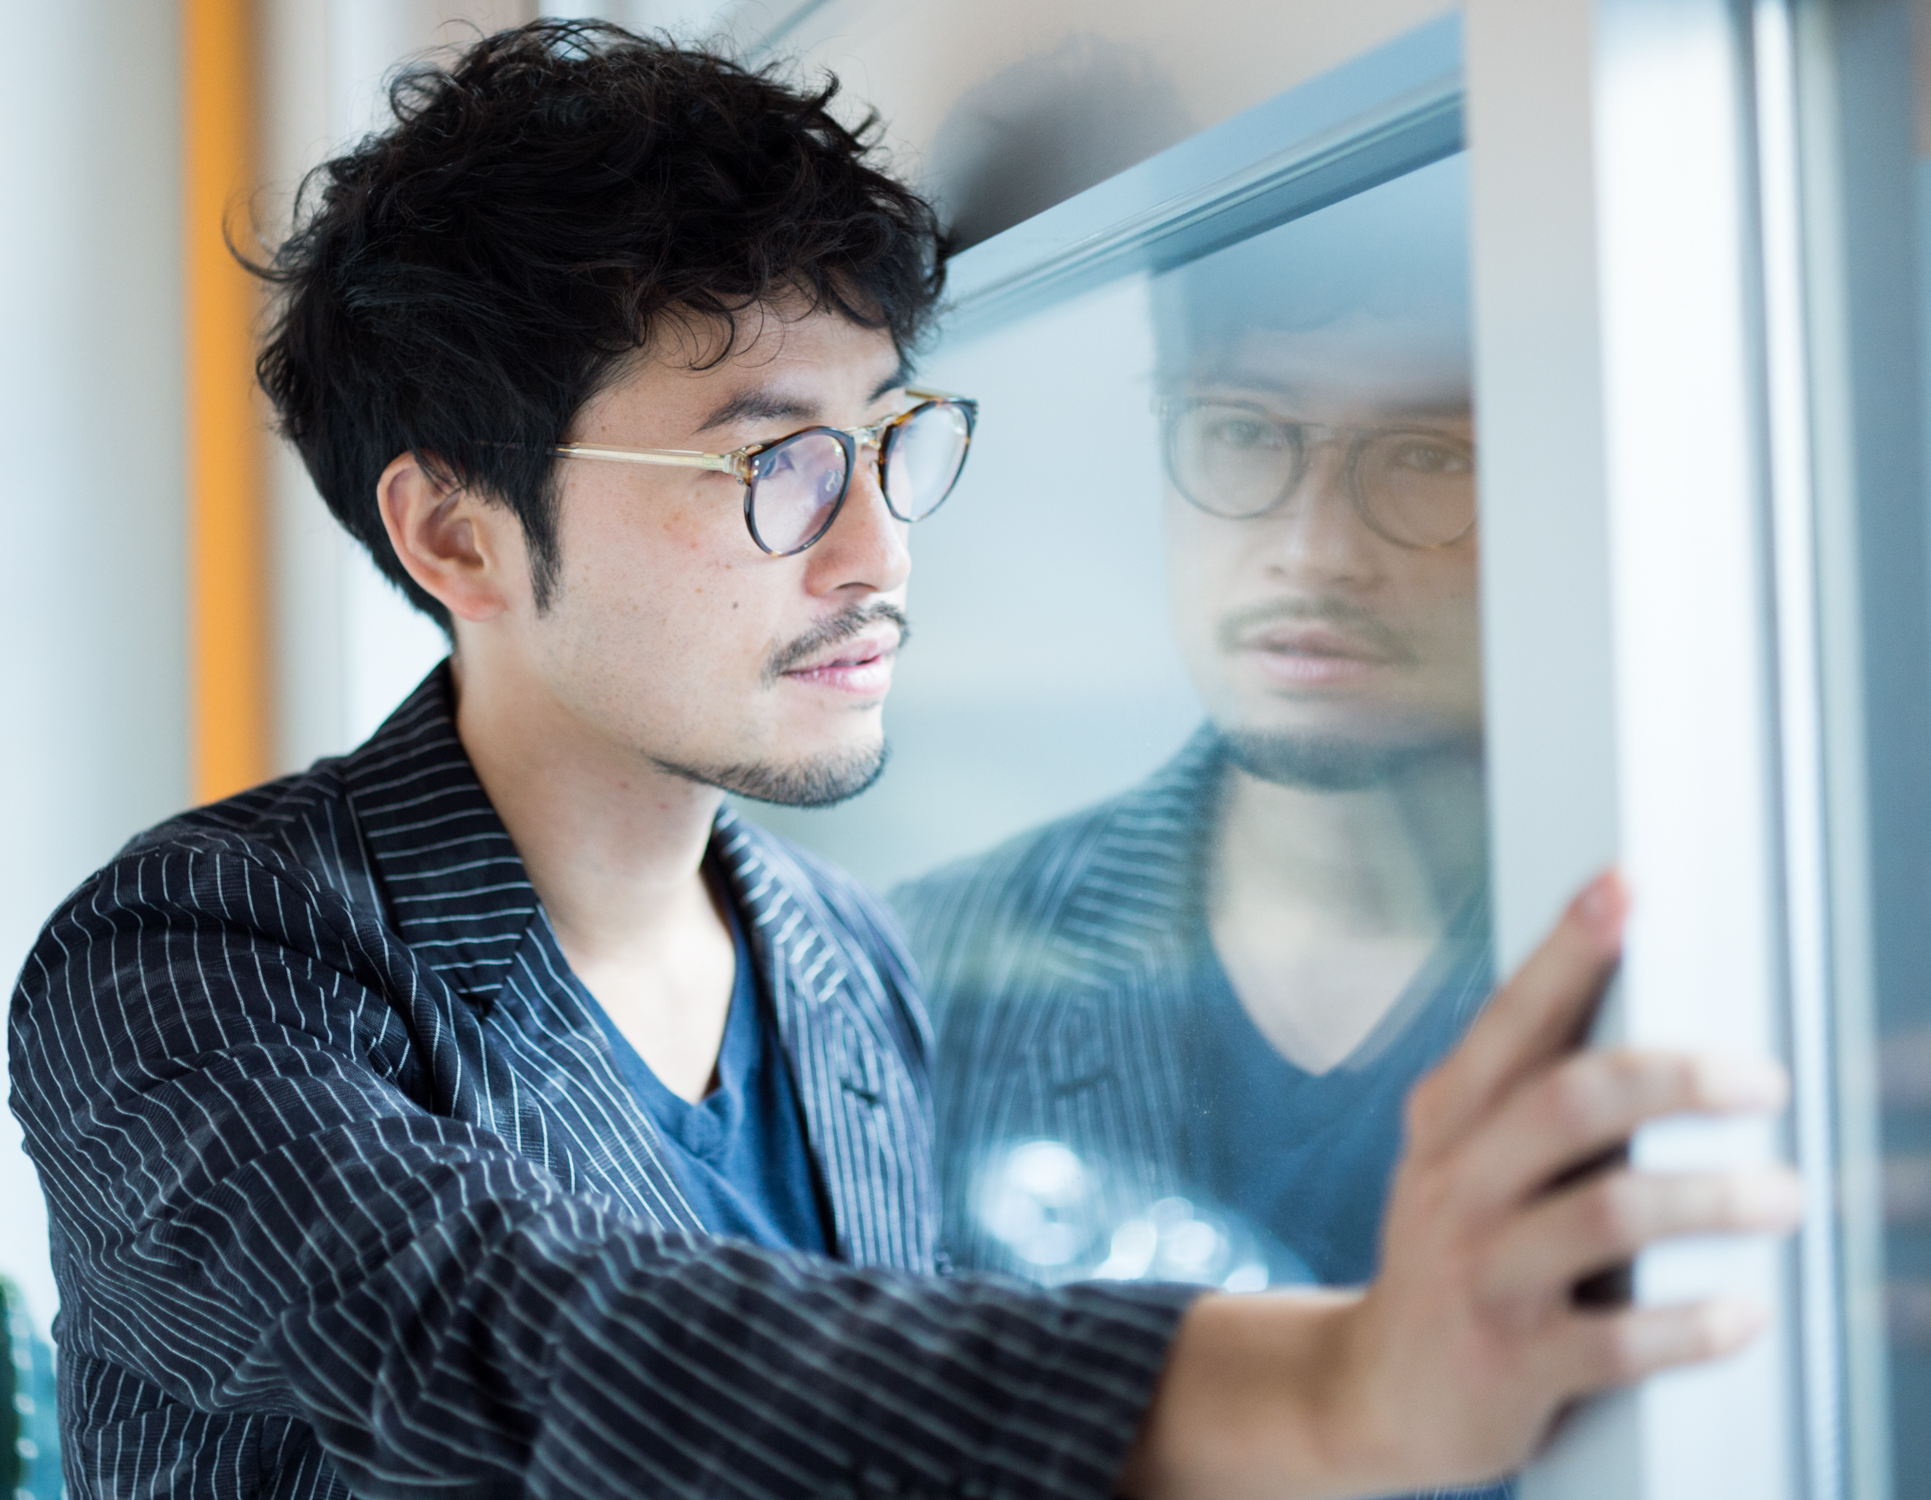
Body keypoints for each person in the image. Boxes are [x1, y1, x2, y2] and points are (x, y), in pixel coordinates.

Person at [7, 22, 1800, 1500]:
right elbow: (523, 1343)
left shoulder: (845, 958)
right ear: (460, 540)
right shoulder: (189, 961)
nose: (878, 551)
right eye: (772, 462)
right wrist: (1334, 1386)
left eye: (890, 442)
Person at [895, 172, 1493, 1298]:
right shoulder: (917, 973)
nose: (1312, 550)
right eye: (1242, 433)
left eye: (1425, 454)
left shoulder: (1727, 967)